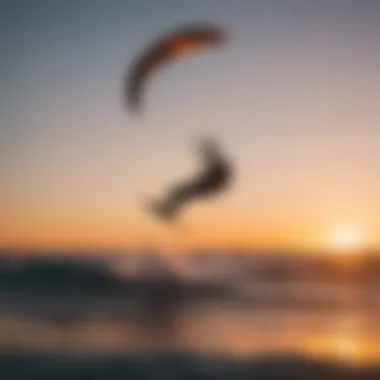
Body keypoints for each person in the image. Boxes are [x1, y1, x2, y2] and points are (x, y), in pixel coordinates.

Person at [148, 137, 233, 222]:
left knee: (180, 192)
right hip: (206, 185)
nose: (203, 154)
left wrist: (208, 185)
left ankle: (168, 211)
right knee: (179, 192)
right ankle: (168, 210)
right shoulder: (217, 162)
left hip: (207, 186)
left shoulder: (218, 163)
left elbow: (218, 178)